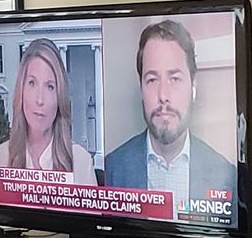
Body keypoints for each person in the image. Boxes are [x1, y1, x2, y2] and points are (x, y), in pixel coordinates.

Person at [100, 18, 239, 219]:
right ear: (141, 88)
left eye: (175, 79)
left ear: (193, 86)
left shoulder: (226, 175)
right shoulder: (113, 169)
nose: (163, 95)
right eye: (152, 79)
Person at [0, 37, 98, 184]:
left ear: (59, 97)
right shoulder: (0, 157)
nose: (40, 100)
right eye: (32, 83)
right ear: (21, 91)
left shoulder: (81, 162)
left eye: (50, 87)